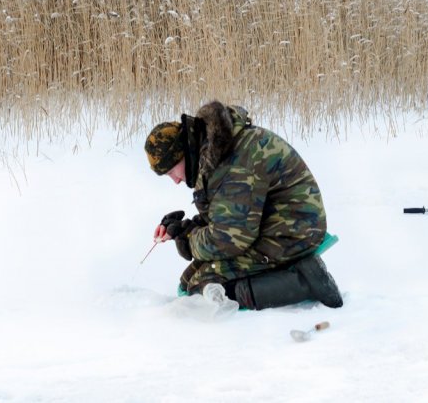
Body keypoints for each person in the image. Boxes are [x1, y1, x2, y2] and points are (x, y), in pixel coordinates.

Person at [144, 100, 343, 310]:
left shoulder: (235, 162)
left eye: (171, 171)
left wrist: (189, 239)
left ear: (183, 152)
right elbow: (229, 212)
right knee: (190, 279)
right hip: (272, 224)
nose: (175, 180)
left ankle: (305, 282)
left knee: (202, 285)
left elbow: (228, 239)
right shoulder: (217, 151)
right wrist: (184, 229)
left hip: (293, 233)